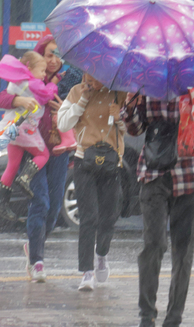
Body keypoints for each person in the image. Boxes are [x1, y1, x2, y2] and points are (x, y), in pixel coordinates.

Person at [121, 79, 194, 327]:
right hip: (154, 172)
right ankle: (147, 314)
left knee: (183, 250)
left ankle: (174, 317)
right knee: (153, 245)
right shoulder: (148, 74)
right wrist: (130, 106)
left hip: (191, 175)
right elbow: (135, 129)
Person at [0, 35, 72, 282]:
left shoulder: (67, 82)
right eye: (49, 54)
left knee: (54, 207)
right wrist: (19, 100)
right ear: (40, 56)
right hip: (32, 151)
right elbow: (1, 99)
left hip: (59, 151)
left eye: (57, 54)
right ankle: (37, 260)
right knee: (41, 203)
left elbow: (79, 112)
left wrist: (66, 111)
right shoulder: (26, 80)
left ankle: (34, 245)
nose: (54, 59)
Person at [57, 73, 127, 291]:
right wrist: (83, 100)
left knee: (108, 217)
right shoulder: (77, 91)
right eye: (87, 73)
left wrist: (119, 118)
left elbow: (129, 130)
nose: (91, 79)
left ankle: (102, 254)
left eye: (96, 75)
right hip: (84, 161)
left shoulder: (119, 93)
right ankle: (87, 272)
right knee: (89, 217)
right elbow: (63, 123)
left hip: (111, 161)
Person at [0, 51, 59, 222]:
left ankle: (1, 201)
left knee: (12, 165)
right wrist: (53, 84)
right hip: (26, 129)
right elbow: (46, 95)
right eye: (42, 70)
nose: (44, 75)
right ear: (29, 67)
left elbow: (3, 98)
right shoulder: (32, 82)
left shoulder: (15, 82)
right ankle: (25, 178)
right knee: (43, 155)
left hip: (12, 130)